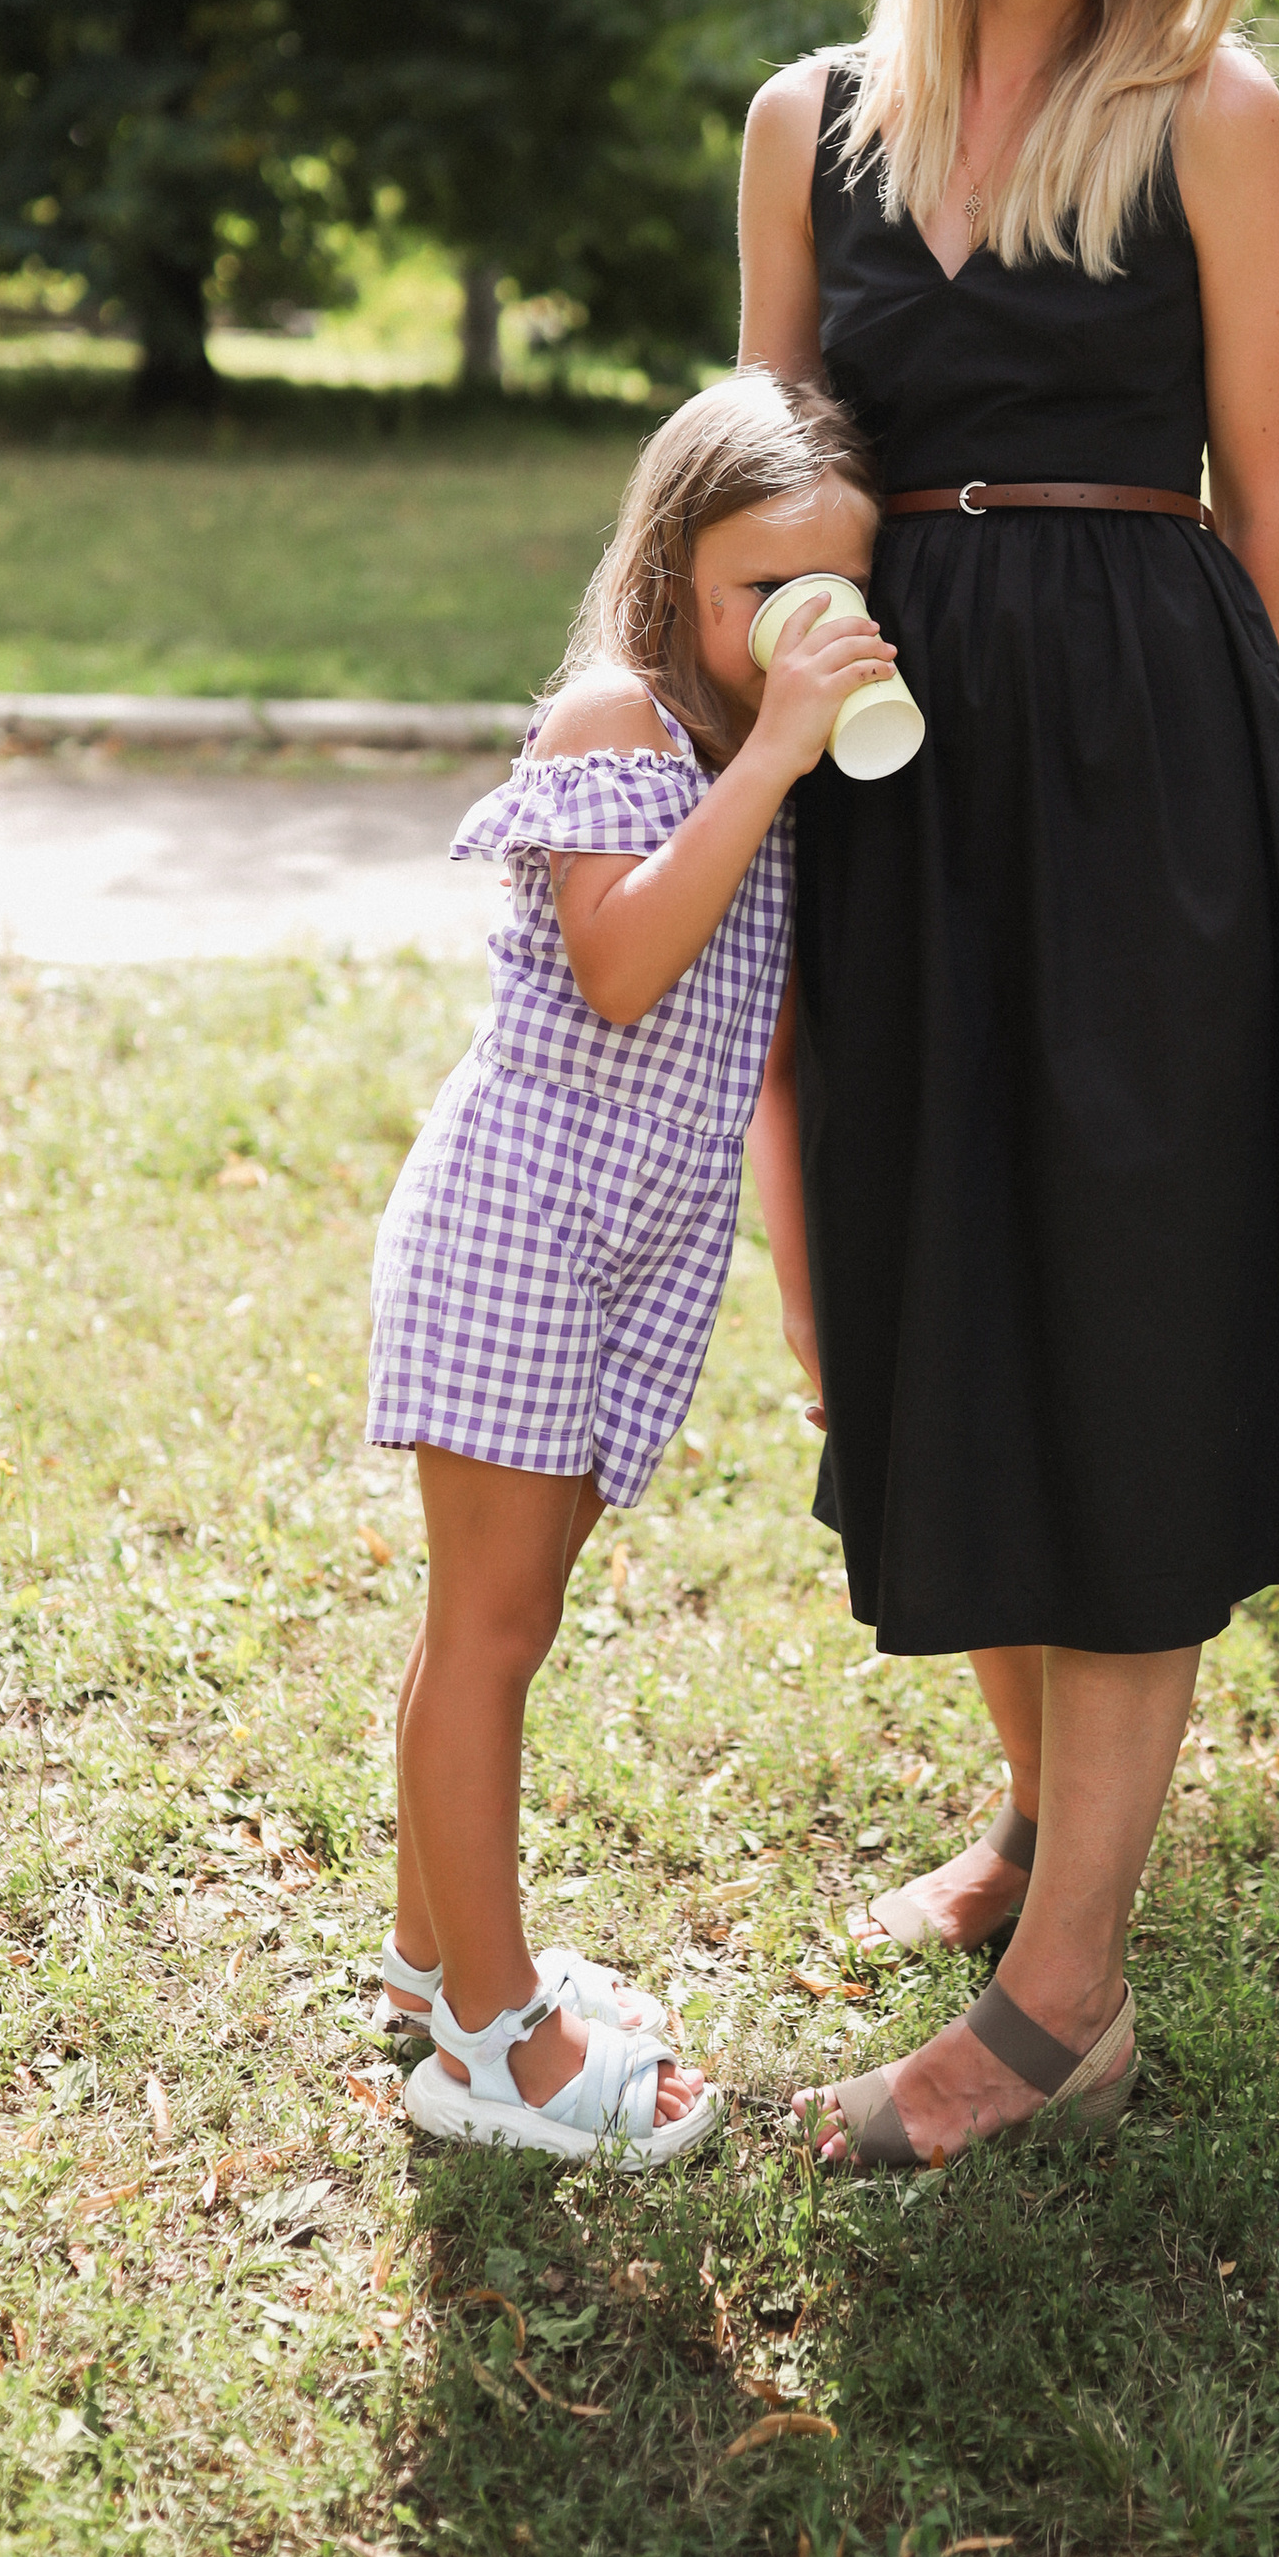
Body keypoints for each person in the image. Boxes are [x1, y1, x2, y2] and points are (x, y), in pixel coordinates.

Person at [738, 0, 1279, 2172]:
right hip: (884, 765)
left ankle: (1067, 1997)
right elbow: (771, 481)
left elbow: (1265, 518)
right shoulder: (804, 119)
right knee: (929, 1301)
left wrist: (1201, 857)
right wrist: (730, 721)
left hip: (1142, 774)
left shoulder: (1207, 116)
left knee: (1125, 1328)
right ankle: (1039, 1811)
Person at [365, 371, 893, 2162]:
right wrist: (775, 753)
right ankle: (496, 2046)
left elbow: (762, 1057)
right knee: (491, 1634)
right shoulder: (623, 719)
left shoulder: (768, 774)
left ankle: (435, 1971)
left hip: (623, 1255)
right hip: (517, 1231)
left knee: (491, 1624)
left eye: (840, 591)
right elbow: (618, 966)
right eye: (766, 592)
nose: (804, 624)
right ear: (672, 576)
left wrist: (805, 1301)